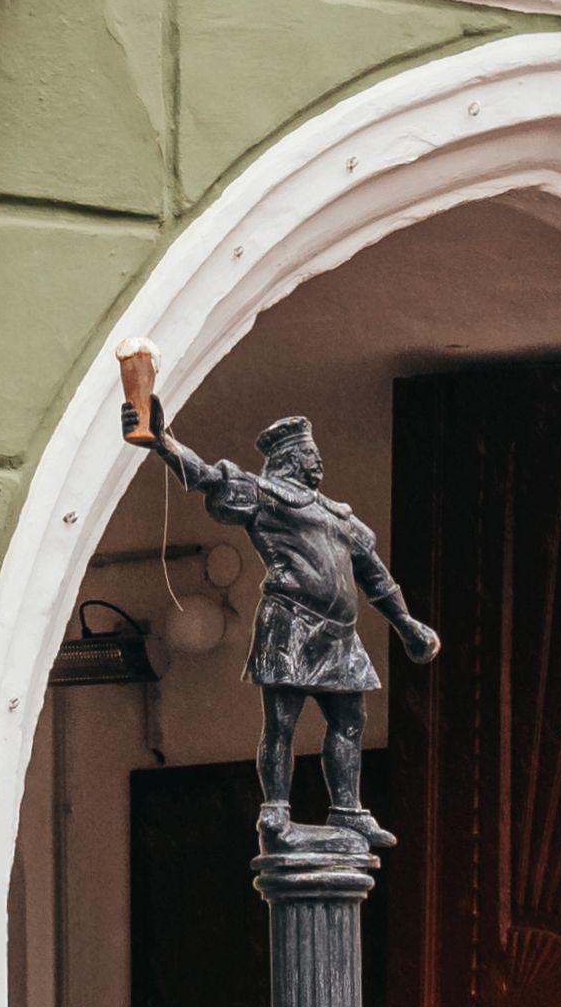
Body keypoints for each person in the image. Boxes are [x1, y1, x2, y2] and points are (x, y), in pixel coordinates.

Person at [117, 351, 443, 833]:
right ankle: (276, 808)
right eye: (312, 456)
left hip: (339, 635)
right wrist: (165, 443)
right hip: (290, 620)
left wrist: (408, 624)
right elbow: (208, 477)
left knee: (350, 721)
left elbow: (376, 577)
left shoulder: (339, 515)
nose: (319, 463)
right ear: (292, 459)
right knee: (282, 723)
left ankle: (348, 810)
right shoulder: (266, 495)